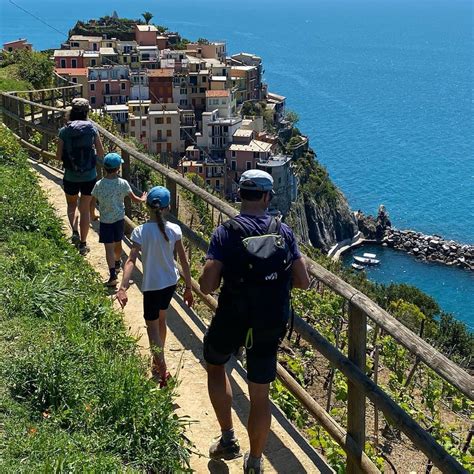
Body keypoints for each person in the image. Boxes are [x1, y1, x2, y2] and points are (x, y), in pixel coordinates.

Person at [199, 170, 310, 474]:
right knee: (260, 396)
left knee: (215, 364)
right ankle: (256, 462)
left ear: (240, 195)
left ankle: (227, 438)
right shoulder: (283, 232)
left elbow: (207, 285)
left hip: (232, 318)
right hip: (269, 322)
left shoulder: (226, 232)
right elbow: (304, 281)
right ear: (266, 197)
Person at [116, 186, 194, 386]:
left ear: (147, 207)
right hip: (170, 283)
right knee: (162, 320)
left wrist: (123, 287)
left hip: (151, 285)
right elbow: (184, 262)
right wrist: (188, 288)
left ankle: (163, 369)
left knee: (152, 329)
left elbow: (131, 260)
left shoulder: (140, 231)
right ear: (168, 207)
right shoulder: (174, 230)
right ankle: (157, 361)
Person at [56, 97, 104, 255]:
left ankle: (74, 232)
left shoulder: (64, 131)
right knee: (84, 210)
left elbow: (58, 156)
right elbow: (101, 152)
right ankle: (83, 244)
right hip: (89, 175)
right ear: (87, 112)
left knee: (71, 205)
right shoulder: (92, 129)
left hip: (70, 175)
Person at [91, 152, 147, 287]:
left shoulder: (99, 184)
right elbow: (134, 199)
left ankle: (112, 275)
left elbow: (92, 202)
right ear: (118, 169)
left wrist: (92, 214)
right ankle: (117, 263)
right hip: (118, 220)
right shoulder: (123, 183)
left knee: (108, 248)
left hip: (105, 221)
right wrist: (143, 199)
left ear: (104, 168)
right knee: (118, 243)